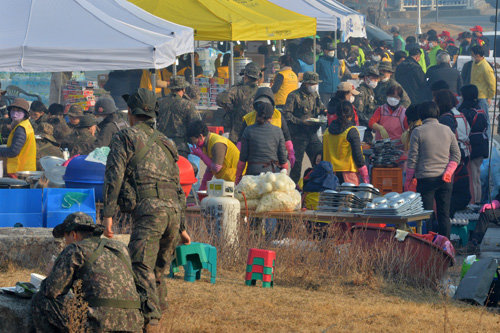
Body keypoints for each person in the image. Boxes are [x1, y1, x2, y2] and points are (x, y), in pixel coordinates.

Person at [102, 88, 190, 330]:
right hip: (172, 211)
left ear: (131, 112)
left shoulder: (125, 137)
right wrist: (181, 226)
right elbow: (177, 184)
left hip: (150, 211)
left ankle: (151, 321)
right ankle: (159, 312)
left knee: (141, 266)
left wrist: (107, 215)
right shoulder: (167, 142)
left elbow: (114, 176)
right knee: (158, 270)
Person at [31, 212, 144, 333]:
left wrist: (51, 273)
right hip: (134, 324)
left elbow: (51, 291)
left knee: (41, 300)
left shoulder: (75, 249)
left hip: (99, 324)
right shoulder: (120, 247)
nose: (65, 242)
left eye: (65, 238)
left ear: (73, 235)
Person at [405, 101, 461, 238]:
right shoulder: (447, 130)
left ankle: (429, 247)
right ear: (437, 113)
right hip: (444, 180)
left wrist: (408, 180)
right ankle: (445, 247)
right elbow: (456, 155)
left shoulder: (418, 131)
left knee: (427, 216)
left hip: (425, 180)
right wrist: (448, 172)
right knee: (444, 215)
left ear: (421, 115)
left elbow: (412, 159)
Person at [435, 89, 471, 215]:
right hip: (463, 154)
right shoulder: (458, 114)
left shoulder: (445, 119)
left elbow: (446, 141)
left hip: (452, 158)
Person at [283, 71, 325, 183]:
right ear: (305, 83)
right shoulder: (294, 96)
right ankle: (293, 189)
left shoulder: (315, 95)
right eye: (311, 84)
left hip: (312, 134)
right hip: (298, 135)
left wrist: (325, 111)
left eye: (315, 84)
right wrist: (301, 122)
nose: (313, 86)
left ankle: (315, 186)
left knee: (319, 159)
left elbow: (320, 108)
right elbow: (287, 115)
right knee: (296, 165)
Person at [238, 87, 295, 167]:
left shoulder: (278, 116)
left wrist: (290, 152)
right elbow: (241, 141)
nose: (263, 107)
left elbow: (286, 136)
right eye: (260, 104)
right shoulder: (248, 118)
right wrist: (239, 157)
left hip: (274, 161)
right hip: (253, 161)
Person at [235, 96, 288, 182]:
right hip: (272, 174)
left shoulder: (248, 130)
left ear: (256, 114)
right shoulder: (278, 131)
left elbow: (242, 160)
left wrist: (238, 178)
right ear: (271, 117)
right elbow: (283, 160)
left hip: (252, 173)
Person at [323, 101, 369, 185]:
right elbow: (357, 155)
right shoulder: (351, 131)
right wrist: (364, 171)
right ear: (351, 115)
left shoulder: (326, 132)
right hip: (348, 175)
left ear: (336, 114)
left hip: (331, 175)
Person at [458, 85, 489, 205]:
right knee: (476, 174)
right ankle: (477, 199)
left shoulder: (466, 112)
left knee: (472, 174)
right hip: (482, 143)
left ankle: (474, 200)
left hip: (472, 144)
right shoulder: (480, 109)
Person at [188, 120, 240, 190]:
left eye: (194, 140)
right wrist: (203, 185)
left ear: (200, 136)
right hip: (226, 179)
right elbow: (210, 168)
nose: (194, 143)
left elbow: (216, 168)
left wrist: (201, 155)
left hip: (236, 180)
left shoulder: (217, 144)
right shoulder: (206, 143)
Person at [216, 62, 260, 143]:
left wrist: (230, 108)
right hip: (256, 133)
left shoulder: (237, 90)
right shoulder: (261, 92)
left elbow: (220, 99)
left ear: (246, 77)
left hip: (238, 133)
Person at [157, 76, 200, 158]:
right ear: (183, 89)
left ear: (170, 88)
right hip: (180, 147)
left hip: (162, 145)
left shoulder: (159, 103)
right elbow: (196, 125)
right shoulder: (187, 105)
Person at [0, 98, 36, 176]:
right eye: (13, 110)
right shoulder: (25, 125)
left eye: (18, 111)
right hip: (25, 170)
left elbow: (13, 151)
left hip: (20, 171)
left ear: (25, 114)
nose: (14, 114)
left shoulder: (21, 128)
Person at [353, 66, 380, 142]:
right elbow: (358, 112)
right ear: (366, 78)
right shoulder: (361, 92)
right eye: (373, 79)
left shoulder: (370, 90)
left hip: (369, 126)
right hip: (363, 128)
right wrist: (369, 122)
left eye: (376, 79)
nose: (375, 81)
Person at [470, 45, 496, 122]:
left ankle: (487, 134)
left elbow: (492, 84)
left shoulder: (486, 67)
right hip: (474, 96)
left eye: (472, 54)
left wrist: (490, 97)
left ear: (477, 55)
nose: (471, 56)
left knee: (484, 120)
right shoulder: (475, 63)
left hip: (482, 97)